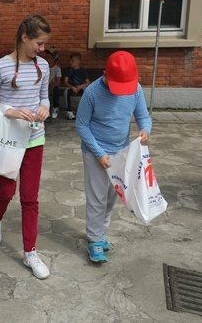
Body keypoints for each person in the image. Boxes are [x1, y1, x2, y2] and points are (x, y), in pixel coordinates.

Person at [0, 14, 51, 280]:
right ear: (25, 37)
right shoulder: (0, 66)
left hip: (35, 138)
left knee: (30, 197)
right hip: (8, 140)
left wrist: (45, 107)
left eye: (44, 45)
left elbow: (43, 96)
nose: (42, 49)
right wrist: (9, 111)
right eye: (39, 43)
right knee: (6, 190)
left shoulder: (42, 67)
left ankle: (30, 252)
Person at [75, 50, 152, 263]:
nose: (121, 92)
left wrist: (145, 130)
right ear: (105, 75)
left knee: (112, 196)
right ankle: (94, 239)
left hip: (121, 152)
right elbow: (81, 125)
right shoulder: (92, 93)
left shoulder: (135, 89)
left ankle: (101, 232)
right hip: (95, 152)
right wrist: (99, 153)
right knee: (97, 197)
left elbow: (143, 116)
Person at [62, 52, 90, 120]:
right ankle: (69, 112)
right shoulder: (68, 70)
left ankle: (84, 112)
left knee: (86, 91)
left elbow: (87, 82)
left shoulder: (83, 70)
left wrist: (81, 86)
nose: (70, 62)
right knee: (66, 91)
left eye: (73, 60)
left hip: (80, 87)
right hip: (71, 87)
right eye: (70, 60)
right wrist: (72, 87)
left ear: (78, 61)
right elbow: (65, 82)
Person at [44, 49, 62, 119]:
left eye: (49, 57)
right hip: (46, 85)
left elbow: (58, 82)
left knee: (55, 90)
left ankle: (55, 109)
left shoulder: (57, 68)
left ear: (54, 59)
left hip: (53, 86)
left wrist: (52, 85)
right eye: (46, 57)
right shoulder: (45, 67)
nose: (47, 59)